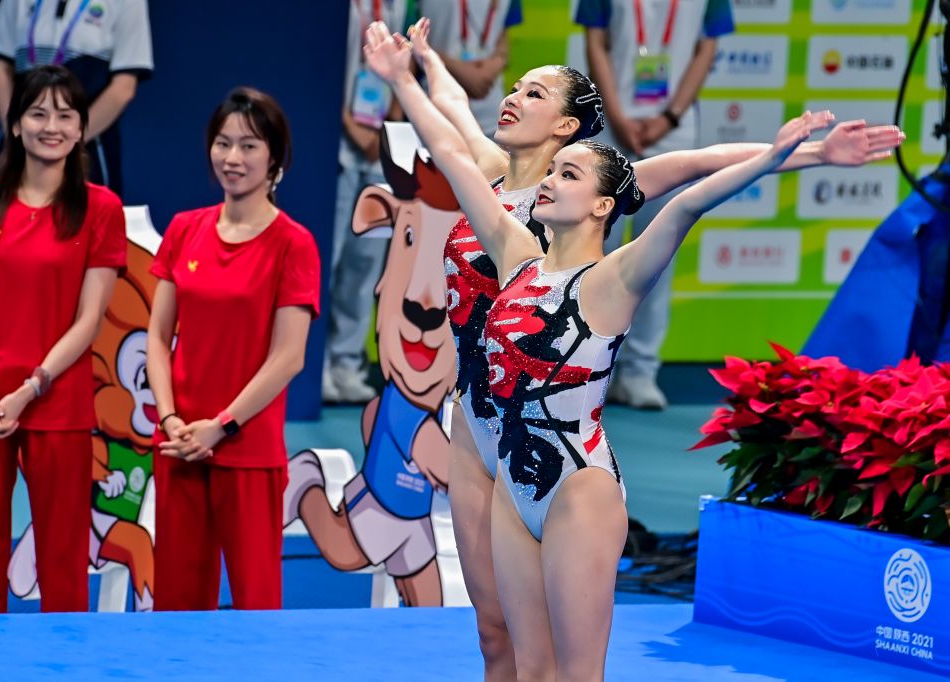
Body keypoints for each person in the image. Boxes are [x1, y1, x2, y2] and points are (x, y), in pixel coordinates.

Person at [364, 20, 900, 679]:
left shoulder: (599, 220)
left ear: (570, 131)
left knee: (563, 660)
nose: (513, 99)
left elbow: (696, 178)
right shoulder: (502, 212)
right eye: (517, 89)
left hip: (562, 457)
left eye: (535, 94)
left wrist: (807, 154)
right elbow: (448, 132)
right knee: (497, 636)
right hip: (476, 423)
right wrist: (418, 66)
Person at [0, 65, 125, 613]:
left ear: (81, 128)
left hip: (56, 404)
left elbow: (89, 320)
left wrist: (30, 388)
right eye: (38, 113)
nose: (52, 126)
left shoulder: (101, 209)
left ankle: (64, 656)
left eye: (65, 115)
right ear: (16, 125)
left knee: (62, 555)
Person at [146, 87, 321, 611]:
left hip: (246, 449)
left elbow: (289, 357)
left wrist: (221, 426)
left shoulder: (294, 243)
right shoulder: (184, 229)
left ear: (275, 157)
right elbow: (157, 336)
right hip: (180, 444)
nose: (232, 158)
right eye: (223, 143)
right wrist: (171, 419)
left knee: (256, 604)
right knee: (176, 604)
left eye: (249, 145)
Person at [578, 0, 735, 408]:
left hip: (672, 131)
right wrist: (614, 114)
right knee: (592, 254)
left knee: (658, 254)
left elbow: (706, 48)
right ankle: (586, 369)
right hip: (608, 128)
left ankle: (640, 371)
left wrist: (669, 117)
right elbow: (595, 40)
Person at [323, 0, 410, 404]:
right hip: (339, 145)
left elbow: (404, 68)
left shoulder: (399, 5)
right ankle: (318, 364)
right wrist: (348, 123)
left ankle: (346, 362)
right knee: (330, 258)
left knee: (365, 263)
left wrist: (388, 127)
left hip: (380, 150)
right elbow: (320, 67)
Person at [0, 0, 154, 196]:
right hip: (22, 145)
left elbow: (123, 87)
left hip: (88, 147)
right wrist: (15, 134)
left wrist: (68, 140)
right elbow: (1, 67)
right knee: (9, 209)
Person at [417, 0, 522, 138]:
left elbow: (503, 30)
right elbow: (409, 35)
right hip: (436, 111)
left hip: (491, 111)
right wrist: (459, 70)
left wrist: (495, 64)